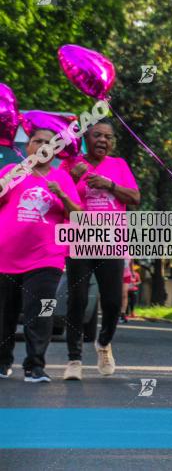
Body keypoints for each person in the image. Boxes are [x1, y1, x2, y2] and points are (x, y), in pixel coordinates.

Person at [0, 127, 82, 382]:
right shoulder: (10, 172)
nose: (43, 145)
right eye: (37, 141)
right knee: (4, 314)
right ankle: (2, 363)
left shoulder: (62, 178)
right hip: (6, 257)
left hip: (46, 258)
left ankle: (35, 366)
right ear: (28, 147)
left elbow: (77, 213)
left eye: (49, 142)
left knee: (41, 312)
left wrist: (61, 194)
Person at [62, 118, 141, 381]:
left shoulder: (118, 166)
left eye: (108, 137)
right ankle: (74, 360)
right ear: (86, 138)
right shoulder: (71, 164)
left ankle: (104, 344)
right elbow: (55, 201)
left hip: (112, 242)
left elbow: (135, 198)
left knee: (112, 302)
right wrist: (71, 179)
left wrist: (110, 185)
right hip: (79, 240)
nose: (103, 141)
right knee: (78, 300)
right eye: (97, 135)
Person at [120, 259, 134, 324]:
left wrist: (133, 273)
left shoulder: (129, 252)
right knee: (117, 294)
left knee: (125, 294)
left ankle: (123, 313)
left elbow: (131, 263)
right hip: (116, 274)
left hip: (127, 275)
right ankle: (115, 312)